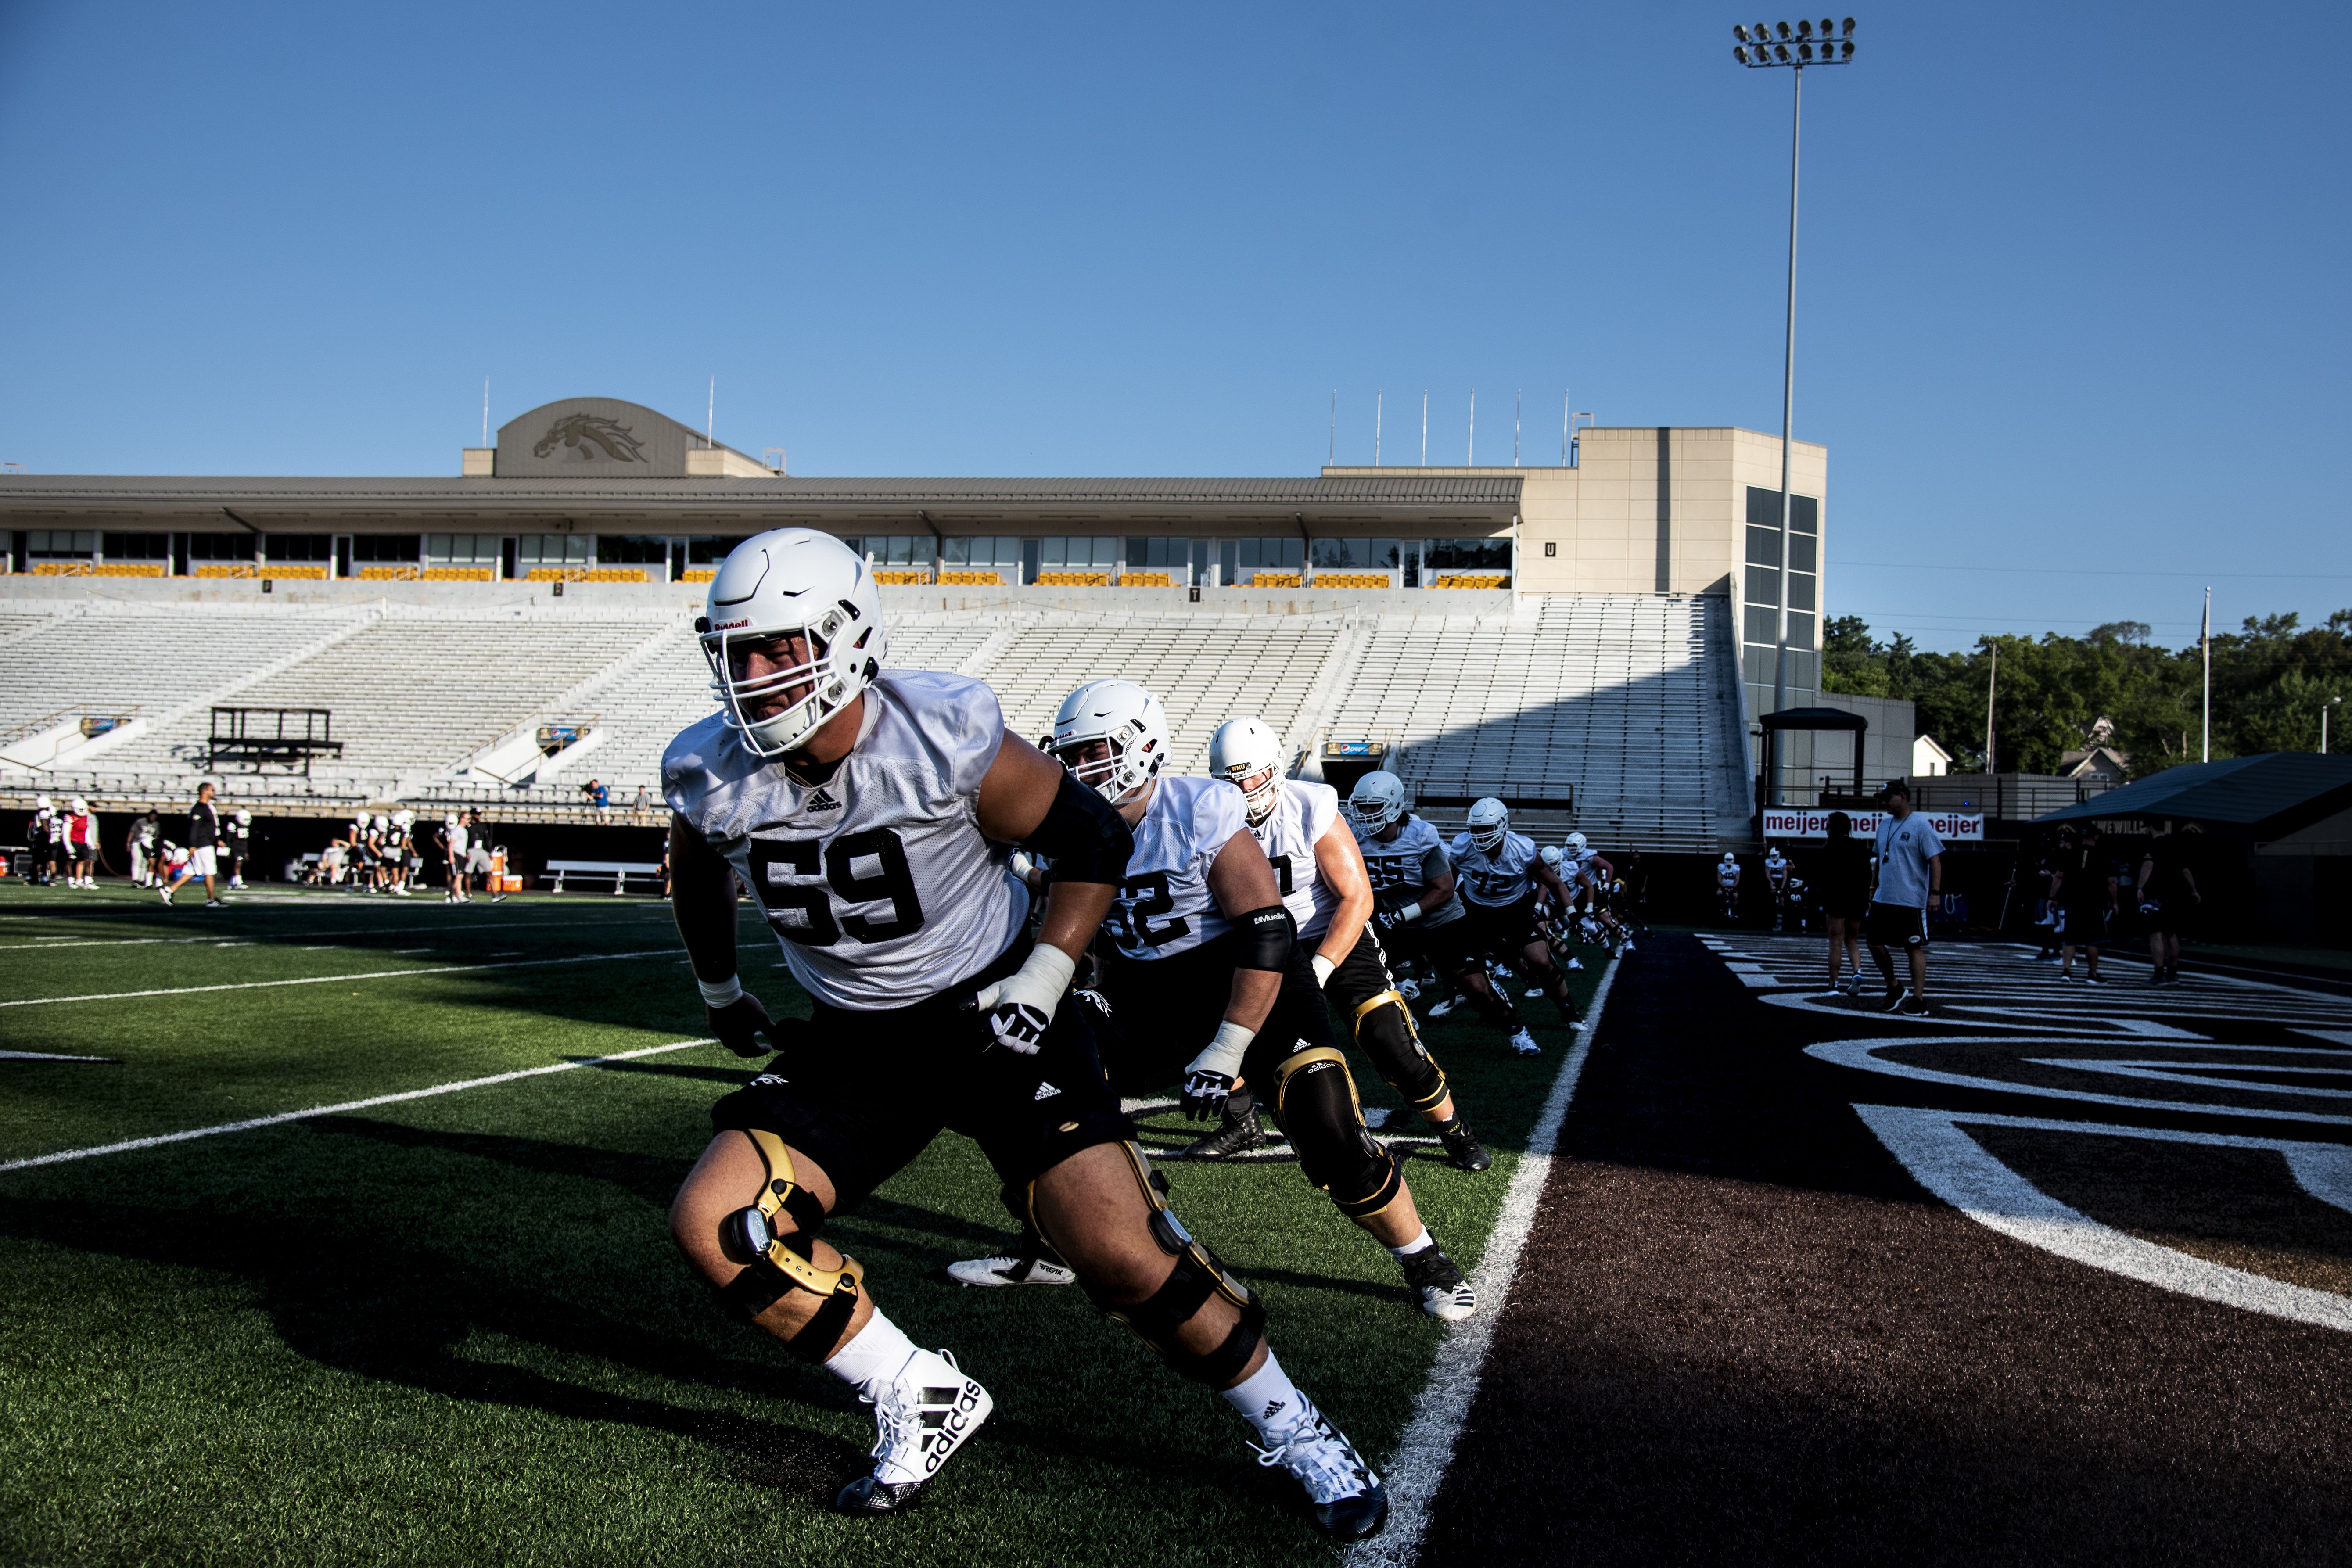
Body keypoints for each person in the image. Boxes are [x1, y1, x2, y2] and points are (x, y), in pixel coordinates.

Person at [661, 530, 1386, 1536]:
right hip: (856, 1039)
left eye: (778, 647)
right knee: (722, 1224)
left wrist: (1044, 977)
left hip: (996, 1014)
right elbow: (696, 866)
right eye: (735, 651)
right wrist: (718, 985)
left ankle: (1294, 1424)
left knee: (1121, 1253)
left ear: (844, 635)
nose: (753, 675)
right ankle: (915, 1393)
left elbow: (1089, 837)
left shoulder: (935, 729)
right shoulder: (705, 770)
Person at [953, 691, 1482, 1324]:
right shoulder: (1068, 820)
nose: (1082, 768)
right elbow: (1072, 905)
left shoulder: (1199, 806)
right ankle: (1052, 1242)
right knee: (1018, 1078)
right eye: (1071, 755)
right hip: (1149, 996)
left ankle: (1423, 1258)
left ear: (1143, 747)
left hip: (1255, 980)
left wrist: (1229, 1044)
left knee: (1329, 1130)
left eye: (1095, 752)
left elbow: (1263, 930)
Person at [1194, 714, 1490, 1174]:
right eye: (1232, 778)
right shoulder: (1209, 816)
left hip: (1331, 933)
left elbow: (1357, 898)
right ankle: (1241, 1121)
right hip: (1260, 941)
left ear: (1275, 767)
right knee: (1224, 1027)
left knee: (1387, 1038)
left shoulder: (1309, 805)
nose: (1246, 787)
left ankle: (1456, 1131)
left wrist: (1319, 968)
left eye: (1254, 773)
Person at [1348, 772, 1543, 1055]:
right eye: (1361, 806)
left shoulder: (1419, 836)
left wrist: (1404, 913)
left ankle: (1517, 1032)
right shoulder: (1353, 836)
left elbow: (1444, 890)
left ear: (1394, 806)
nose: (1365, 814)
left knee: (1476, 990)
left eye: (1373, 806)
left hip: (1443, 922)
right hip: (1397, 923)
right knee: (1363, 971)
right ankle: (1401, 1005)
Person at [1449, 798, 1583, 1047]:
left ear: (1502, 826)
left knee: (1541, 961)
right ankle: (1513, 1027)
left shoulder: (1523, 849)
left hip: (1515, 911)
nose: (1479, 835)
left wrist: (1572, 914)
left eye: (1485, 829)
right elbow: (1448, 882)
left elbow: (1555, 882)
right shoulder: (1461, 847)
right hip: (1477, 912)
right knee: (1471, 979)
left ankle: (1569, 1012)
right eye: (1475, 829)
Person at [1864, 780, 1942, 1014]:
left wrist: (1935, 893)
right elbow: (1879, 858)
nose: (1885, 803)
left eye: (1889, 798)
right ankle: (1895, 986)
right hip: (1883, 896)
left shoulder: (1921, 826)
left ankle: (1919, 998)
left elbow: (1935, 860)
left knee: (1913, 947)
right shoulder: (1884, 825)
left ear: (1903, 796)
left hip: (1910, 898)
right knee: (1873, 942)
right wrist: (1873, 886)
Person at [1813, 810, 1873, 996]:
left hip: (1836, 899)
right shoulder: (1860, 847)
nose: (1826, 828)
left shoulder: (1829, 848)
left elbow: (1822, 876)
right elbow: (1867, 875)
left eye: (1828, 825)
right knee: (1853, 940)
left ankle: (1834, 983)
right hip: (1857, 899)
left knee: (1835, 943)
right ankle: (1857, 972)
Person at [2051, 822, 2117, 985]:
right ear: (2096, 837)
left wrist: (2052, 897)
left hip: (2073, 900)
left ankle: (2066, 971)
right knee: (2093, 940)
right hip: (2094, 902)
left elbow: (2059, 877)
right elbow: (2112, 882)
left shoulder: (2071, 854)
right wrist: (2115, 902)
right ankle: (2092, 973)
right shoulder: (2102, 855)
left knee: (2070, 937)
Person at [2139, 819, 2201, 986]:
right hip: (2175, 894)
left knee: (2156, 933)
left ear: (2150, 827)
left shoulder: (2154, 845)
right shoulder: (2175, 844)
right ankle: (2173, 973)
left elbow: (2148, 865)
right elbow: (2186, 871)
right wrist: (2194, 890)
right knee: (2171, 934)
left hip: (2156, 894)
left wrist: (2140, 887)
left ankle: (2159, 973)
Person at [162, 783, 225, 908]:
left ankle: (169, 890)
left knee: (192, 871)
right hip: (203, 844)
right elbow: (194, 828)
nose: (214, 792)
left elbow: (208, 827)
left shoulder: (207, 807)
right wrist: (192, 845)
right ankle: (211, 900)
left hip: (206, 842)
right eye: (212, 790)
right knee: (210, 871)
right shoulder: (199, 808)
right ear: (205, 792)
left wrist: (217, 839)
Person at [64, 797, 97, 888]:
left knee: (87, 861)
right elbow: (65, 833)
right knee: (70, 862)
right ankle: (71, 882)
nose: (83, 811)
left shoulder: (86, 818)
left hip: (82, 843)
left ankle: (87, 881)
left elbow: (86, 831)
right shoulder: (70, 818)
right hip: (73, 842)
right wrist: (68, 846)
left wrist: (90, 842)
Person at [221, 808, 254, 890]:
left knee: (240, 865)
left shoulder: (245, 828)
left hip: (242, 849)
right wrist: (228, 850)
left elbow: (245, 841)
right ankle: (239, 882)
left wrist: (246, 851)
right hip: (235, 848)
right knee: (238, 865)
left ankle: (232, 883)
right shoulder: (233, 825)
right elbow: (229, 839)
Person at [1763, 843, 1792, 931]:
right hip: (1772, 881)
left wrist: (1782, 887)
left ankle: (1782, 923)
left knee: (1783, 901)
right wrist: (1771, 883)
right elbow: (1767, 874)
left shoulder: (1783, 862)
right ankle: (1773, 922)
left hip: (1781, 881)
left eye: (1775, 855)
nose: (1774, 857)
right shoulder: (1768, 862)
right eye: (1773, 856)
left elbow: (1785, 876)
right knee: (1772, 901)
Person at [1716, 851, 1742, 922]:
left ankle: (1734, 910)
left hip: (1733, 886)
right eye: (1728, 860)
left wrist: (1733, 887)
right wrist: (1724, 887)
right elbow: (1719, 879)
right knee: (1719, 893)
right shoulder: (1721, 867)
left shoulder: (1736, 868)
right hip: (1723, 885)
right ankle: (1721, 908)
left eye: (1730, 860)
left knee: (1735, 896)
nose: (1729, 861)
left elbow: (1737, 880)